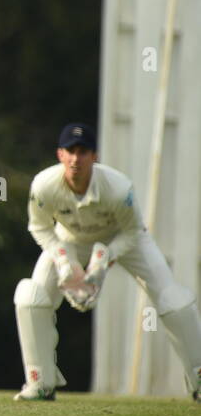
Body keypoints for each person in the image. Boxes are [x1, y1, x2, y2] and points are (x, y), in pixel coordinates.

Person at [13, 122, 201, 401]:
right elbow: (39, 227)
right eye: (70, 151)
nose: (76, 159)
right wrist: (64, 260)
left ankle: (198, 377)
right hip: (69, 239)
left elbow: (134, 231)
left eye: (83, 152)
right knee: (30, 297)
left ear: (95, 156)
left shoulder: (118, 188)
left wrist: (105, 259)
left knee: (173, 299)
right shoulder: (44, 185)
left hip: (123, 240)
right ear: (60, 155)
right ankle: (40, 382)